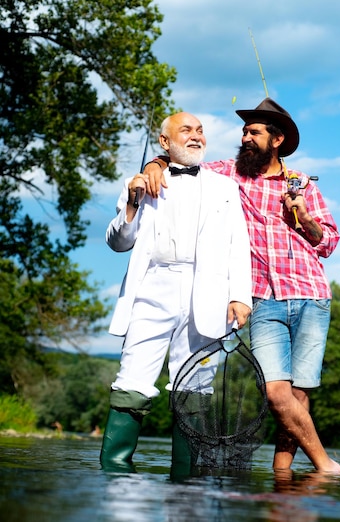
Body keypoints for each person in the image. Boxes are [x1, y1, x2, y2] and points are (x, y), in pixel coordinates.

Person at [144, 98, 340, 475]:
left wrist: (303, 215)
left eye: (254, 133)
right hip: (263, 300)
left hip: (312, 295)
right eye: (244, 132)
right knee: (275, 393)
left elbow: (329, 242)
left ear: (277, 139)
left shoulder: (302, 184)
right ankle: (325, 465)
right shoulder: (227, 175)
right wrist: (155, 162)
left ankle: (282, 476)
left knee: (298, 396)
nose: (245, 138)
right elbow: (185, 161)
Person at [100, 112, 252, 473]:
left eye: (200, 131)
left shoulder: (224, 186)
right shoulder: (140, 182)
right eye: (186, 130)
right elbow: (117, 242)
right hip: (153, 287)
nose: (196, 136)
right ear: (165, 142)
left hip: (208, 291)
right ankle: (115, 476)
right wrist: (133, 202)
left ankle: (187, 483)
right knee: (132, 376)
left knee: (196, 384)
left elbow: (237, 242)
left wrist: (240, 295)